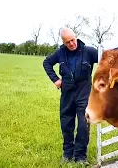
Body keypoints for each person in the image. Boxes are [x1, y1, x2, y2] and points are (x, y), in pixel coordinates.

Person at [43, 28, 98, 165]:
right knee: (66, 125)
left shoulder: (89, 52)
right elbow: (47, 63)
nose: (71, 44)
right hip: (67, 95)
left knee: (83, 126)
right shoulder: (60, 53)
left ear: (76, 37)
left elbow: (106, 59)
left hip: (83, 95)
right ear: (63, 42)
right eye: (67, 42)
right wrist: (55, 79)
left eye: (72, 40)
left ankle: (80, 156)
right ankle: (67, 154)